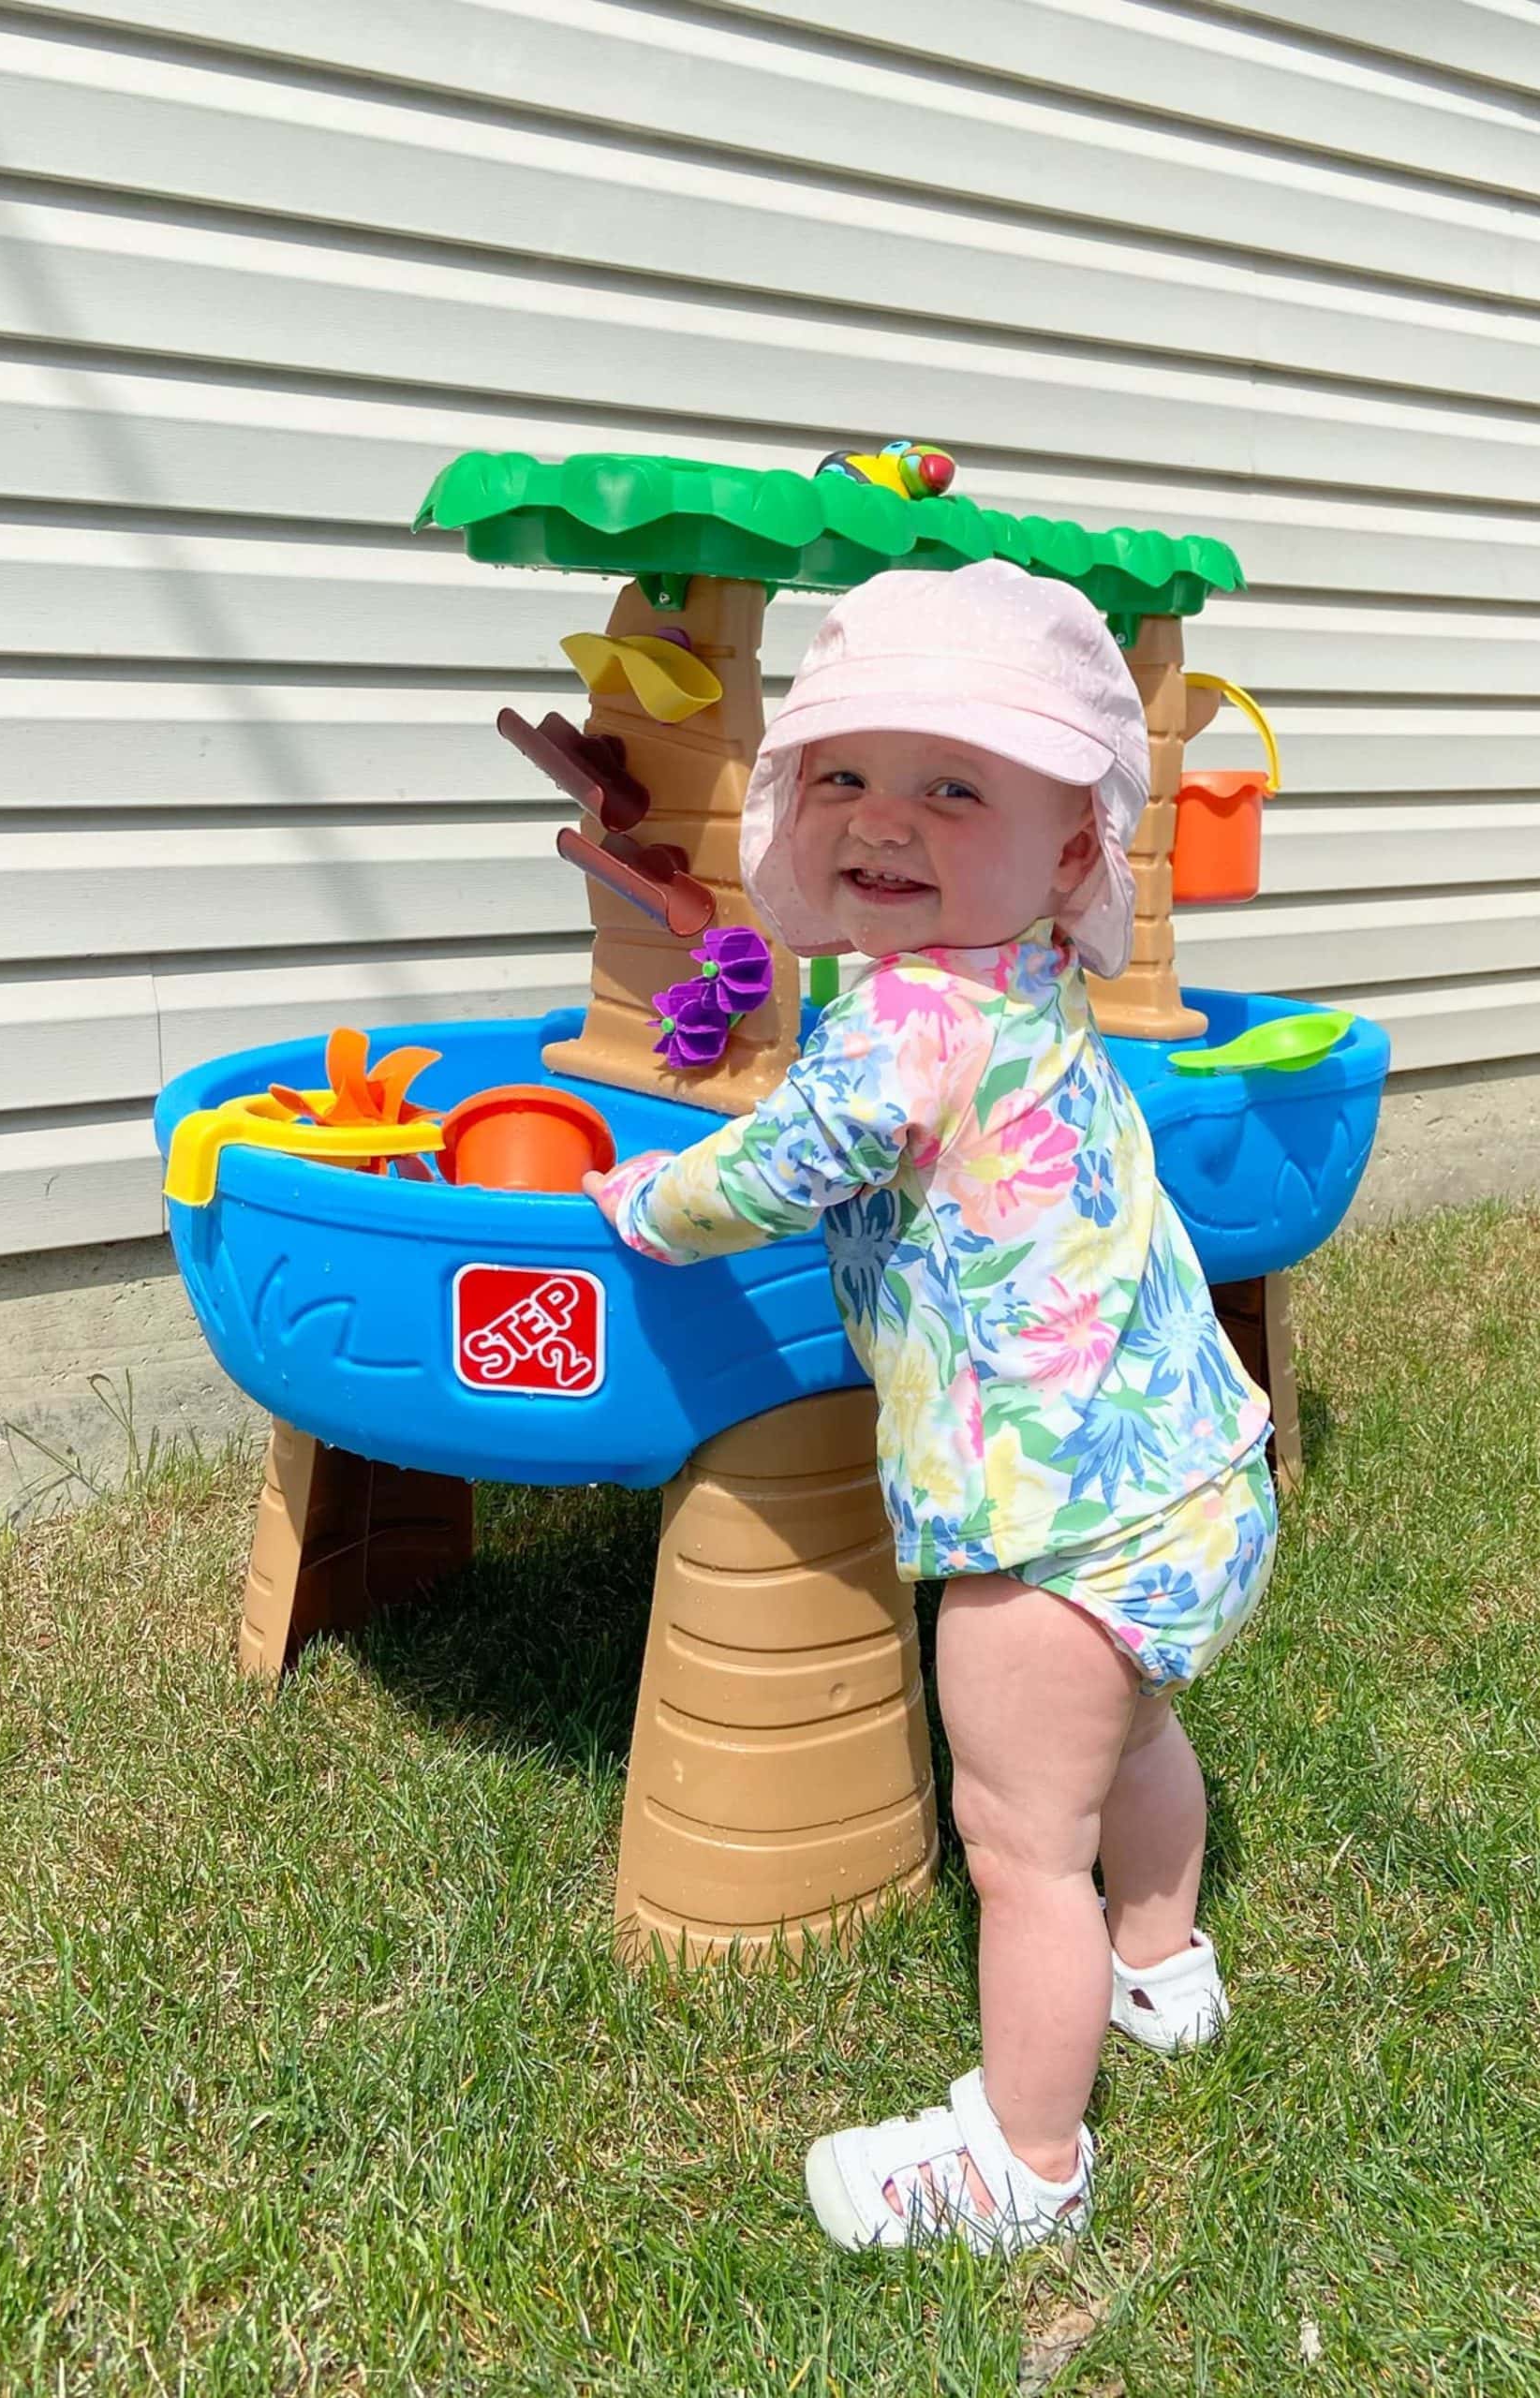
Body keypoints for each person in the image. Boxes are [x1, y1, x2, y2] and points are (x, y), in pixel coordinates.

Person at [584, 559, 1278, 2257]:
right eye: (843, 777)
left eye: (952, 786)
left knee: (1017, 1836)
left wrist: (651, 1202)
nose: (882, 825)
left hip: (1048, 1530)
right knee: (1138, 1738)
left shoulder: (897, 1024)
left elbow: (782, 1164)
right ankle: (1163, 1968)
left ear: (1066, 851)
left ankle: (1025, 2165)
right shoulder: (1026, 978)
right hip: (1199, 1478)